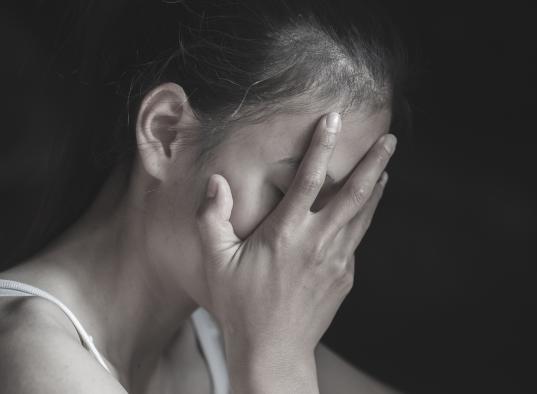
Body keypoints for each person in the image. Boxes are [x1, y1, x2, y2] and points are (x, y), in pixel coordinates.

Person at [0, 0, 408, 393]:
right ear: (166, 133)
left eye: (337, 207)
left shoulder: (217, 337)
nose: (313, 248)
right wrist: (276, 365)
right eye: (290, 191)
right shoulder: (29, 354)